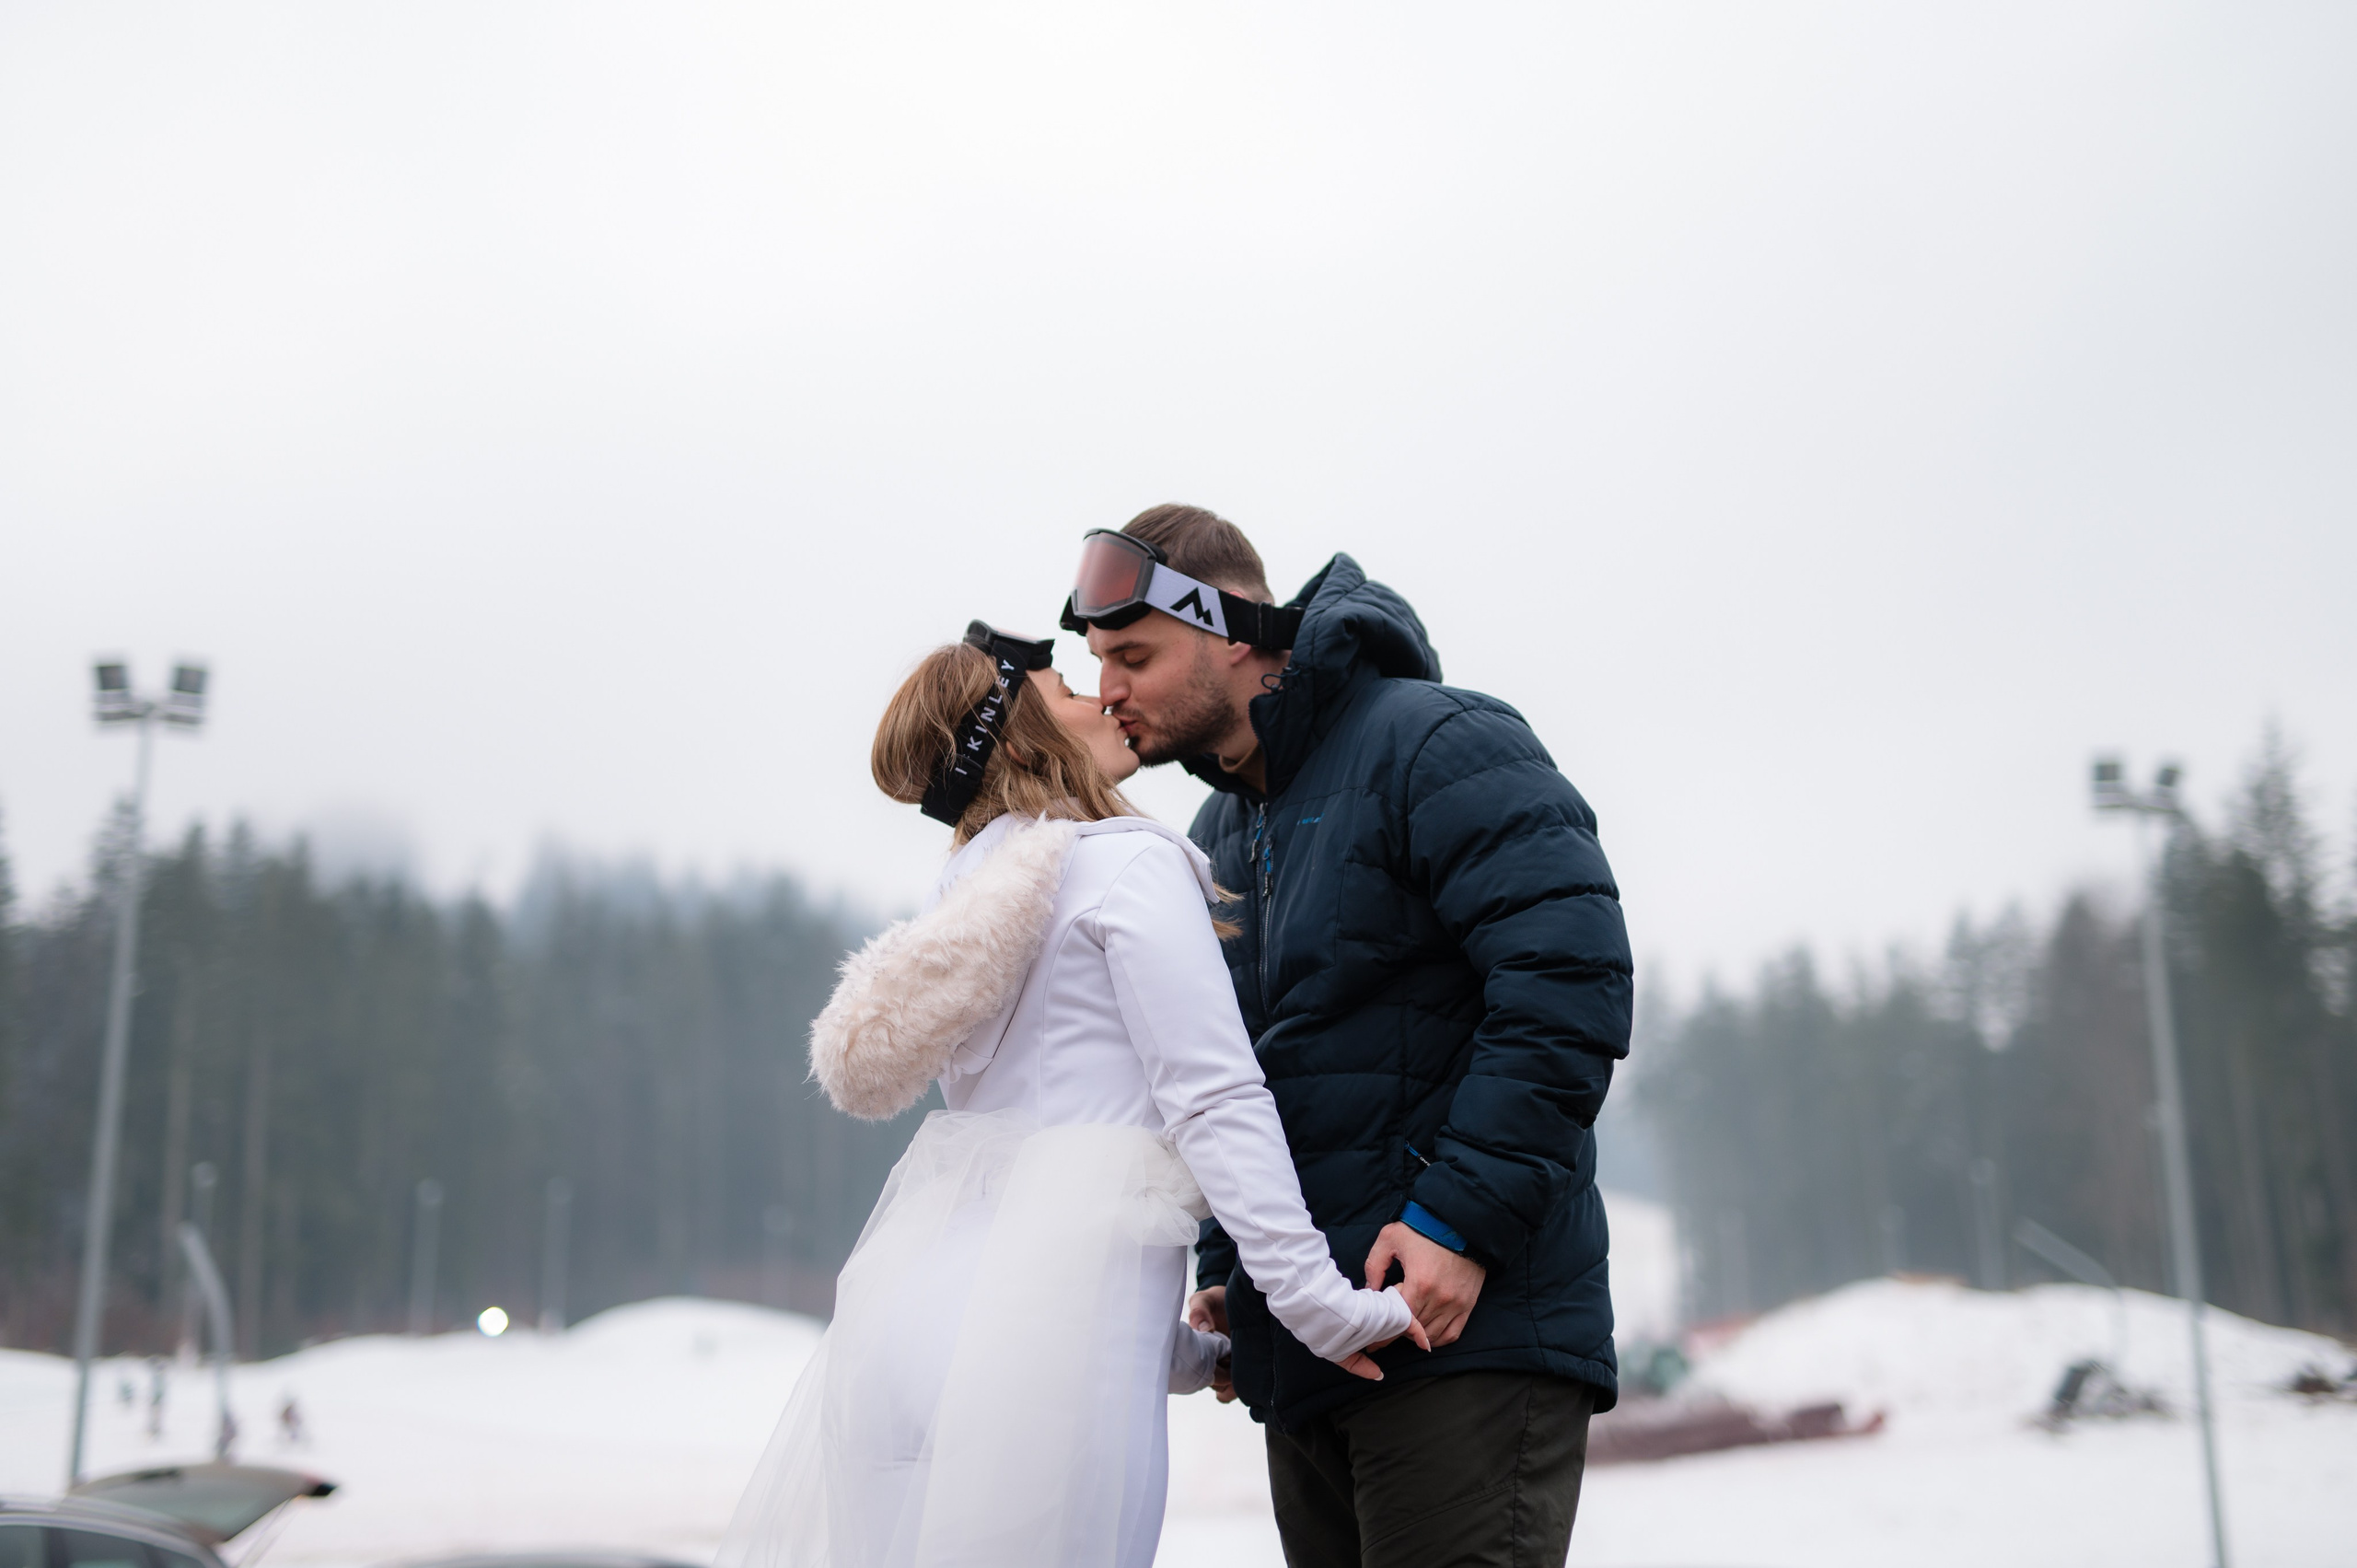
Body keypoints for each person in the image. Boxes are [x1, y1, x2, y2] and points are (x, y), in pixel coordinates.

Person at [717, 621, 1427, 1568]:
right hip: (1029, 1372)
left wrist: (1183, 1352)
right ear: (1019, 739)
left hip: (900, 1338)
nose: (1104, 696)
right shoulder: (1124, 863)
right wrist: (1314, 1301)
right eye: (1068, 689)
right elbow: (1211, 1096)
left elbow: (1033, 1171)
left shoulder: (965, 899)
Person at [1064, 506, 1634, 1568]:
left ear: (1232, 630)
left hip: (1464, 1336)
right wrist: (1236, 1270)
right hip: (1312, 1355)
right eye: (1099, 662)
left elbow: (1567, 981)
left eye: (1134, 655)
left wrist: (1458, 1222)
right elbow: (1230, 1077)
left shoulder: (1437, 740)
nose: (1108, 691)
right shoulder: (1216, 837)